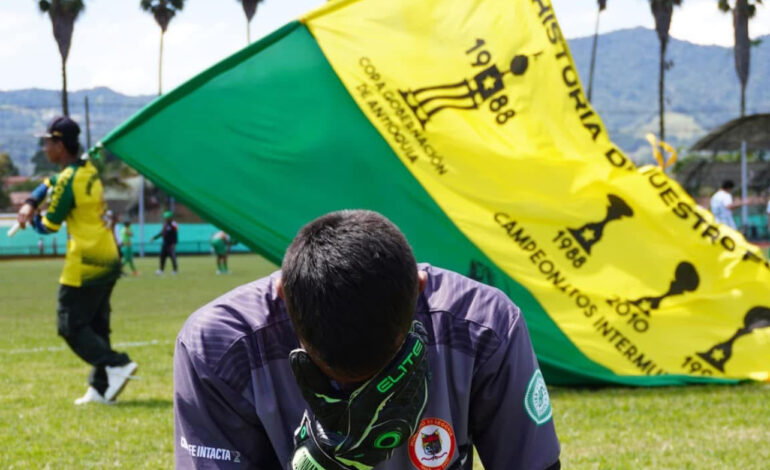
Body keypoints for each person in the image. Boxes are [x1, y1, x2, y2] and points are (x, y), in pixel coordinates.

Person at [174, 210, 560, 469]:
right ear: (284, 298)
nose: (359, 394)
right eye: (333, 375)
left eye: (385, 366)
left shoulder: (485, 328)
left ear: (418, 289)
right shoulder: (218, 349)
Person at [16, 116, 138, 405]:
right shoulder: (88, 171)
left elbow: (49, 226)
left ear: (60, 144)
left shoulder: (69, 179)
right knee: (96, 325)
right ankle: (100, 387)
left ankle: (116, 363)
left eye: (48, 142)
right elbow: (52, 182)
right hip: (109, 256)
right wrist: (32, 199)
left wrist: (30, 217)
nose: (45, 148)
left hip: (86, 262)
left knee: (69, 324)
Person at [152, 210, 178, 275]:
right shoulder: (165, 224)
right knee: (162, 256)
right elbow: (162, 233)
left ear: (170, 217)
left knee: (172, 257)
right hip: (165, 243)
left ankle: (175, 270)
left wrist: (174, 243)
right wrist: (155, 237)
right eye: (165, 217)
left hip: (170, 244)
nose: (166, 219)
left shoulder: (173, 224)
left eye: (167, 217)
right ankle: (161, 270)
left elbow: (175, 235)